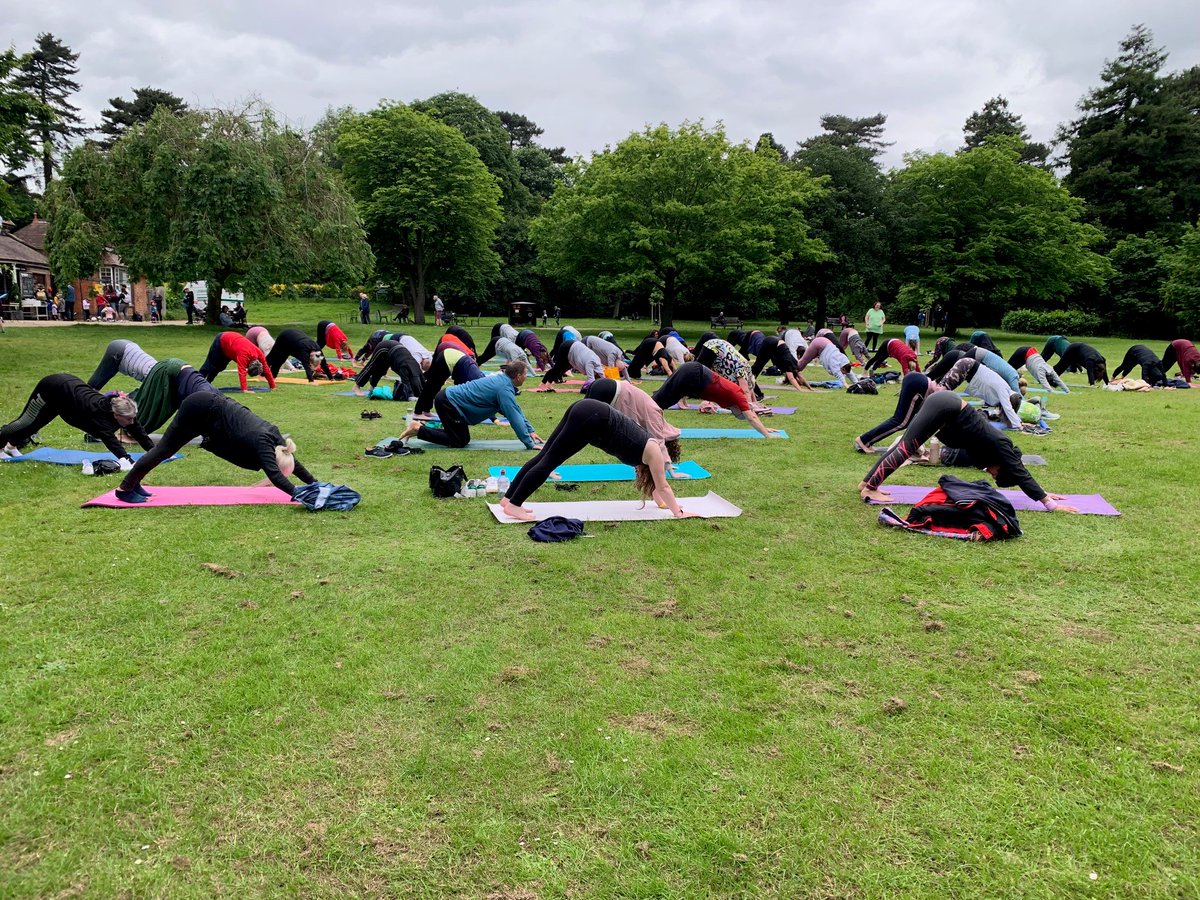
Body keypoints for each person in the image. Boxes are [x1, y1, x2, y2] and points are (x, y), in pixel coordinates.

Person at [858, 392, 1079, 512]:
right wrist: (1049, 503)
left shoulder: (989, 452)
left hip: (945, 411)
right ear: (1002, 467)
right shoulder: (1002, 446)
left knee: (906, 446)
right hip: (946, 406)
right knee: (906, 448)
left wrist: (1043, 491)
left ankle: (867, 483)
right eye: (996, 475)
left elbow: (1018, 472)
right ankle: (870, 488)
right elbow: (1020, 473)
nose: (991, 475)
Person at [499, 399, 696, 521]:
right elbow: (663, 487)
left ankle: (508, 499)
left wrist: (663, 505)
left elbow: (657, 491)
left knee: (544, 457)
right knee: (549, 461)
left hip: (588, 410)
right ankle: (515, 504)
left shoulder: (648, 451)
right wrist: (677, 512)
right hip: (594, 418)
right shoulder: (654, 453)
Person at [114, 392, 315, 503]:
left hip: (211, 409)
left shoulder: (278, 440)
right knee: (164, 450)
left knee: (163, 451)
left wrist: (314, 484)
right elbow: (275, 475)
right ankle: (125, 488)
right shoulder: (263, 444)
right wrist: (299, 494)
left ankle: (135, 483)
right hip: (199, 409)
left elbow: (292, 462)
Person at [1, 374, 152, 464]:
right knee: (25, 421)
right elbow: (111, 441)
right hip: (52, 387)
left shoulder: (124, 409)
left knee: (38, 424)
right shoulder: (99, 415)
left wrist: (154, 451)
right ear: (116, 415)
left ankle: (11, 446)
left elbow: (136, 428)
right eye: (128, 419)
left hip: (66, 398)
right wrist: (127, 460)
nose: (131, 422)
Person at [399, 360, 540, 449]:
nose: (527, 377)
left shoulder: (503, 383)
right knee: (460, 440)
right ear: (518, 376)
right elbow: (514, 417)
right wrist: (529, 443)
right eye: (526, 374)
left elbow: (516, 410)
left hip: (449, 401)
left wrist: (531, 431)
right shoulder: (504, 388)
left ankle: (419, 429)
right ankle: (418, 428)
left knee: (459, 437)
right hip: (448, 402)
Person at [651, 361, 783, 437]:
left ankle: (650, 424)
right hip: (694, 375)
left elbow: (751, 415)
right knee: (657, 402)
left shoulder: (733, 403)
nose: (735, 415)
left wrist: (765, 428)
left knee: (661, 402)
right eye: (738, 414)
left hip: (694, 379)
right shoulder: (738, 396)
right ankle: (641, 422)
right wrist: (767, 435)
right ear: (739, 410)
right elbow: (751, 417)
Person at [585, 378, 683, 461]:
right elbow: (659, 443)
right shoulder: (656, 418)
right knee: (583, 427)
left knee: (579, 417)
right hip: (609, 391)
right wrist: (668, 466)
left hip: (606, 386)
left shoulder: (656, 416)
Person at [855, 372, 944, 453]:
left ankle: (867, 441)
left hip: (918, 380)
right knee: (901, 421)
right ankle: (864, 440)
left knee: (903, 420)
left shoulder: (956, 365)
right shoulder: (957, 367)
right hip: (920, 386)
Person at [939, 356, 1024, 430]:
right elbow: (1008, 408)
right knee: (941, 391)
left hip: (968, 367)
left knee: (942, 389)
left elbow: (1007, 409)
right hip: (966, 366)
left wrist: (1018, 421)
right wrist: (1018, 425)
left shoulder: (1006, 389)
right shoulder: (1004, 390)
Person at [412, 341, 487, 416]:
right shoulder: (474, 380)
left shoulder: (478, 378)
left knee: (434, 387)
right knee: (432, 386)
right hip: (446, 358)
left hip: (450, 357)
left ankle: (426, 410)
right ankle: (418, 412)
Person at [198, 331, 276, 392]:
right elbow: (242, 372)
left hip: (230, 348)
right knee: (210, 364)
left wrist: (272, 386)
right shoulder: (244, 355)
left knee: (220, 367)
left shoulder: (259, 354)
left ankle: (208, 383)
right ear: (248, 366)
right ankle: (197, 382)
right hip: (222, 340)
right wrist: (244, 389)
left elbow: (266, 369)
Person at [353, 340, 426, 401]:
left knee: (382, 369)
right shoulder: (406, 368)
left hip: (395, 353)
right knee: (371, 366)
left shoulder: (417, 369)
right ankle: (356, 387)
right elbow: (406, 383)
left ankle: (372, 386)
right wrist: (410, 395)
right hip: (385, 347)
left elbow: (423, 383)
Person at [265, 328, 338, 382]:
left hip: (295, 340)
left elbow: (324, 364)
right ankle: (263, 373)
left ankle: (272, 377)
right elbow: (306, 366)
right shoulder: (304, 352)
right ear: (310, 360)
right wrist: (311, 381)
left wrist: (331, 378)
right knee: (275, 357)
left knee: (281, 359)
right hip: (285, 337)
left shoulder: (318, 351)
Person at [747, 334, 813, 390]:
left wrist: (810, 388)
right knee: (759, 364)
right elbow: (791, 378)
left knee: (760, 365)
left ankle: (750, 378)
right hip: (770, 343)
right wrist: (800, 389)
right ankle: (748, 378)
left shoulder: (794, 362)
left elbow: (800, 376)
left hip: (776, 343)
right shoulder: (789, 364)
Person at [88, 340, 159, 390]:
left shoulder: (161, 374)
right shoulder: (159, 379)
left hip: (128, 347)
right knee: (92, 388)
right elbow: (141, 395)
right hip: (120, 351)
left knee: (92, 387)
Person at [793, 335, 858, 388]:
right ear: (843, 368)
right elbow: (837, 372)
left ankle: (792, 376)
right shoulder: (834, 362)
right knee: (803, 362)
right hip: (818, 344)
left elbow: (850, 373)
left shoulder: (845, 362)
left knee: (803, 362)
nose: (843, 374)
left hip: (825, 343)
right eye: (843, 372)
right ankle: (789, 374)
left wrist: (857, 383)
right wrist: (846, 385)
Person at [541, 339, 606, 386]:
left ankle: (546, 383)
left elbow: (602, 376)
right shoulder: (590, 364)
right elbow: (591, 380)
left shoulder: (597, 363)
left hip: (573, 348)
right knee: (558, 368)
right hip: (567, 347)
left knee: (562, 369)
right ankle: (545, 384)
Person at [1006, 346, 1070, 392]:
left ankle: (1016, 378)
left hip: (1029, 353)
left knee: (1011, 370)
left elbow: (1058, 380)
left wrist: (1067, 390)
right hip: (1023, 352)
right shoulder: (1041, 371)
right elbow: (1045, 385)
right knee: (1008, 369)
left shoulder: (1050, 369)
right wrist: (1051, 391)